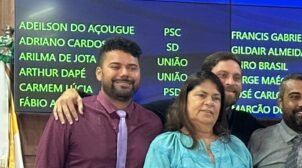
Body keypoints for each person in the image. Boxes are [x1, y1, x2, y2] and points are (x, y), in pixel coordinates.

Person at [32, 37, 163, 168]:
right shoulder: (70, 114)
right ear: (99, 73)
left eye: (132, 68)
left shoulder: (152, 124)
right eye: (115, 66)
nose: (125, 73)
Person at [51, 51, 264, 145]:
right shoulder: (168, 110)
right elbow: (122, 107)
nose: (230, 83)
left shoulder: (248, 125)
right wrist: (76, 93)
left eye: (237, 77)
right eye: (222, 76)